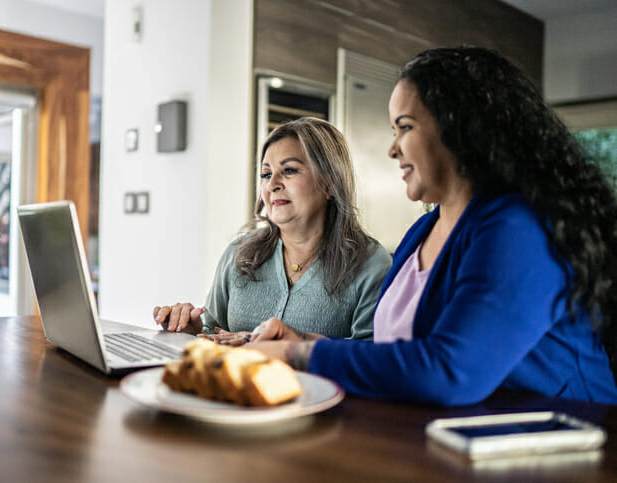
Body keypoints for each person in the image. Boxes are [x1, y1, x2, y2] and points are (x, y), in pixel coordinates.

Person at [247, 46, 617, 405]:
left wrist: (297, 356)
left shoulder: (521, 228)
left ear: (461, 129)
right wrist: (307, 342)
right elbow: (395, 356)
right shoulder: (422, 232)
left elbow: (450, 370)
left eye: (404, 127)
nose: (393, 149)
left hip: (563, 450)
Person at [153, 117, 392, 342]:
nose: (272, 184)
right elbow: (212, 329)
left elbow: (373, 358)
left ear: (329, 182)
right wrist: (191, 331)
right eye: (266, 174)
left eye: (289, 170)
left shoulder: (371, 263)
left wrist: (277, 345)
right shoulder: (239, 253)